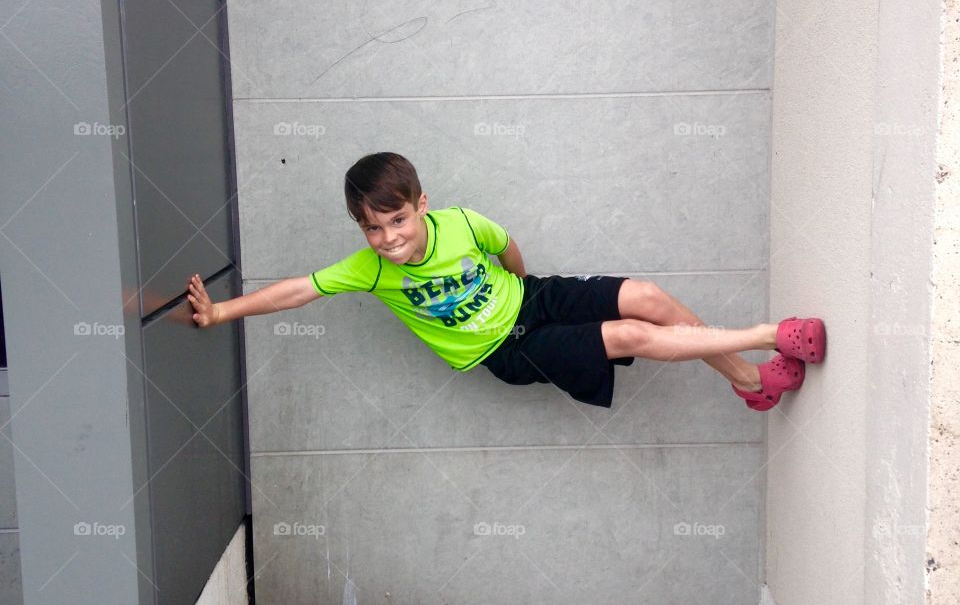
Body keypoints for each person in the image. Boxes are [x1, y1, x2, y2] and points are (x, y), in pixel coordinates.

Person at [186, 151, 826, 411]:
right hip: (505, 350)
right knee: (630, 332)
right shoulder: (371, 269)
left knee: (647, 297)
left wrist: (524, 288)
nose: (389, 239)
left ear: (422, 205)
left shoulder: (464, 225)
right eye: (372, 228)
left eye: (398, 220)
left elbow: (509, 247)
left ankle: (749, 384)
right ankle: (770, 336)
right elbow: (294, 290)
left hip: (530, 300)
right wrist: (220, 313)